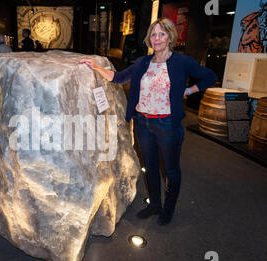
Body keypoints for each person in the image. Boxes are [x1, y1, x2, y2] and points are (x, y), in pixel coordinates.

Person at [79, 18, 217, 225]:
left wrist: (188, 90)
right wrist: (96, 67)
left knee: (170, 170)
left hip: (167, 125)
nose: (157, 38)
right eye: (153, 34)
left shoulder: (182, 62)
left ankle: (168, 209)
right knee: (151, 167)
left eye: (162, 34)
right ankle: (154, 205)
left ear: (170, 37)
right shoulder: (143, 62)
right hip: (143, 123)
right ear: (149, 39)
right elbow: (117, 78)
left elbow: (210, 77)